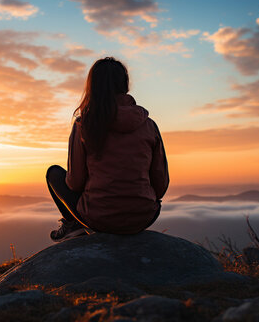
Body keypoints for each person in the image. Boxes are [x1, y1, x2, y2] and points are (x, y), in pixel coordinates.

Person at [47, 57, 169, 242]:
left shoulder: (84, 125)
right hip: (144, 216)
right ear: (125, 85)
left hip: (98, 218)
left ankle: (74, 225)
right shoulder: (149, 125)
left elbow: (74, 183)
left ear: (92, 86)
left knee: (54, 174)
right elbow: (161, 184)